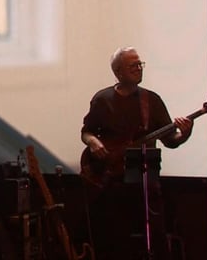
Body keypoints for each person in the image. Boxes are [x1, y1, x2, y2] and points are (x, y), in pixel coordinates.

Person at [79, 47, 193, 260]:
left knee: (155, 237)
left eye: (140, 64)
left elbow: (171, 141)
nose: (139, 69)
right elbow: (86, 132)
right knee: (114, 241)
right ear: (118, 72)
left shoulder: (152, 101)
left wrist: (186, 132)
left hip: (144, 182)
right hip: (110, 184)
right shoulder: (102, 99)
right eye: (133, 65)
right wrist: (93, 142)